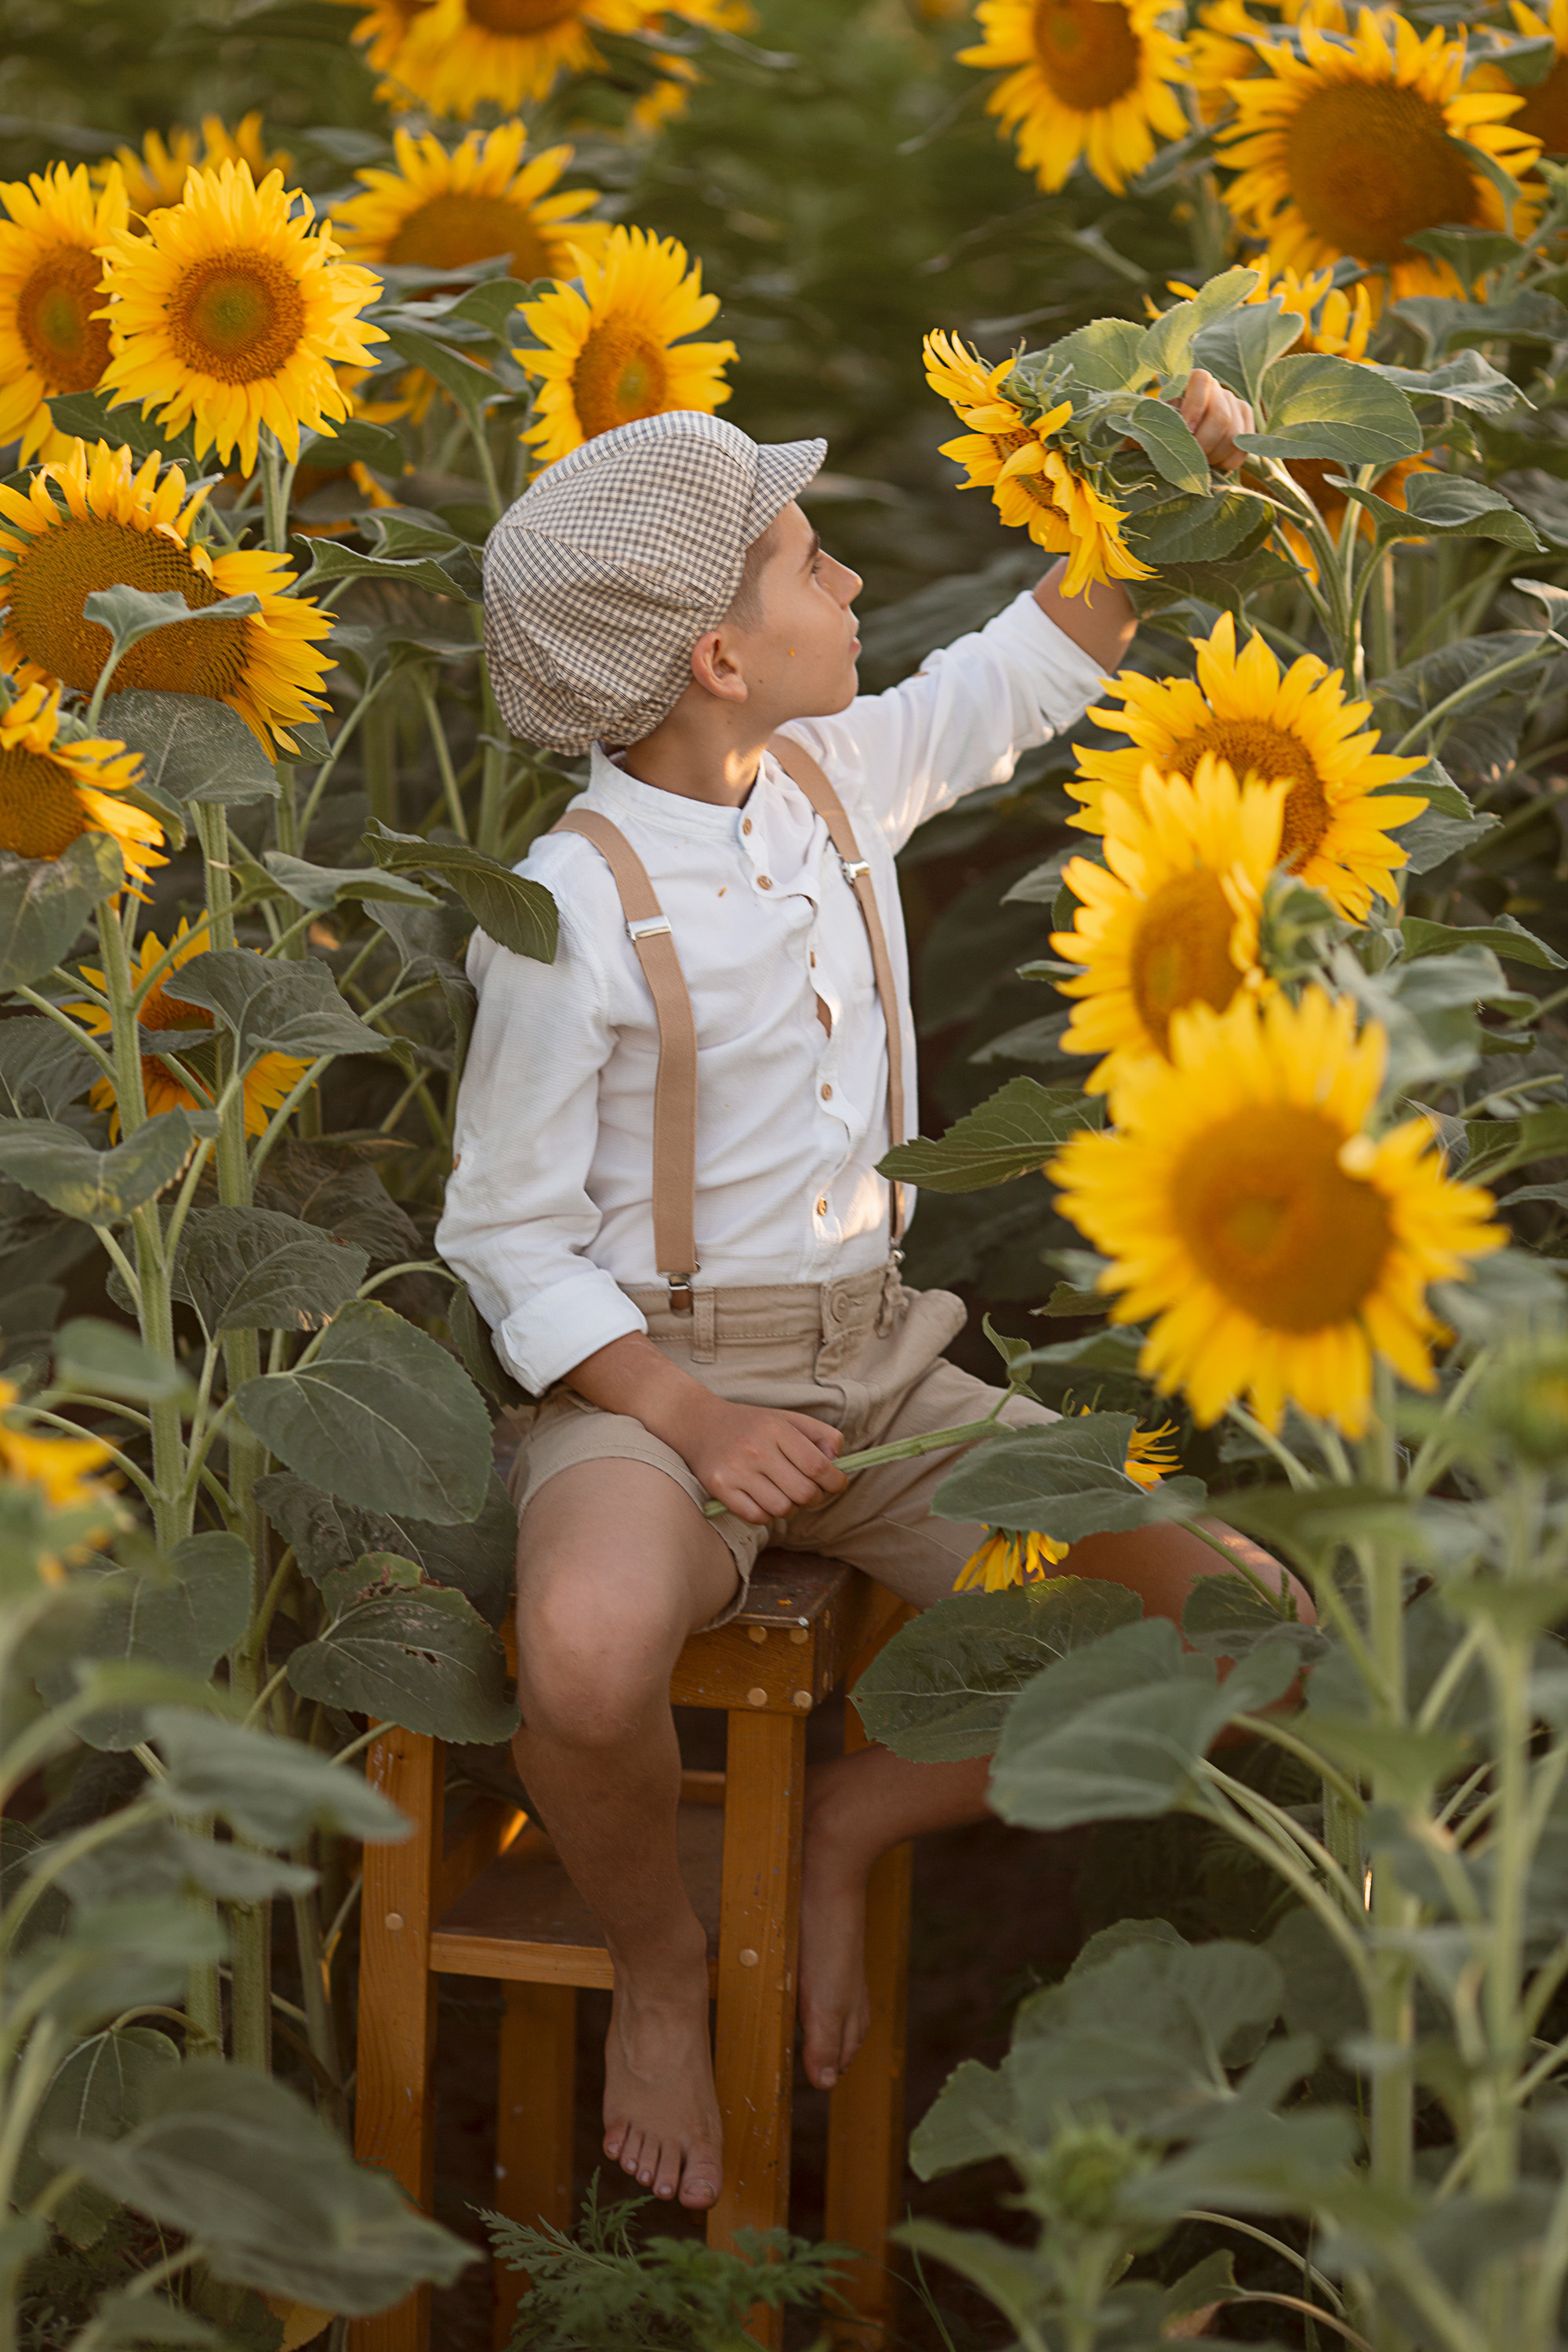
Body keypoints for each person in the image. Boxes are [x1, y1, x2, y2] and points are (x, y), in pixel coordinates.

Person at [437, 381, 1272, 2216]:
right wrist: (686, 1416)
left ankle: (855, 1815)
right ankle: (659, 1962)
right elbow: (501, 1236)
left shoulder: (834, 775)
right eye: (814, 562)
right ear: (721, 652)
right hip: (646, 1395)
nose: (854, 580)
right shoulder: (566, 909)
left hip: (876, 1371)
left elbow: (1024, 667)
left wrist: (1161, 472)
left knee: (1245, 1629)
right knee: (582, 1658)